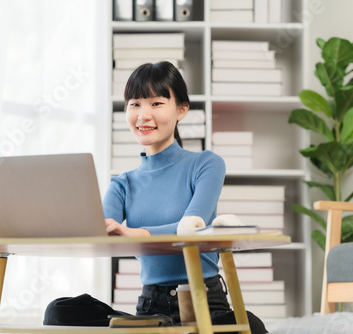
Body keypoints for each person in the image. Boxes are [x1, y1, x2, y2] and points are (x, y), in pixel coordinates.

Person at [102, 61, 267, 333]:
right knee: (60, 310)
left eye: (156, 104)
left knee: (250, 325)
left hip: (204, 302)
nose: (143, 115)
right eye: (135, 104)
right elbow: (102, 232)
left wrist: (137, 234)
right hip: (150, 307)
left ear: (181, 109)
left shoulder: (206, 164)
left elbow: (193, 225)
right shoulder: (122, 183)